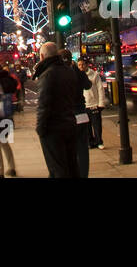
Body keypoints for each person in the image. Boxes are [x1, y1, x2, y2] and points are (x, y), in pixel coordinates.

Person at [34, 42, 90, 178]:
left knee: (58, 168)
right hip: (69, 123)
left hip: (53, 128)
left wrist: (40, 128)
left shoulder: (47, 75)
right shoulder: (69, 71)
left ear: (42, 56)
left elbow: (43, 105)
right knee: (71, 166)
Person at [79, 56, 106, 149]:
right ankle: (90, 142)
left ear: (87, 65)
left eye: (82, 64)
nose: (81, 66)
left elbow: (100, 89)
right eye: (79, 65)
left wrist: (101, 103)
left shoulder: (94, 75)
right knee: (87, 126)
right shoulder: (77, 76)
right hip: (84, 105)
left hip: (94, 104)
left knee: (97, 125)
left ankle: (99, 142)